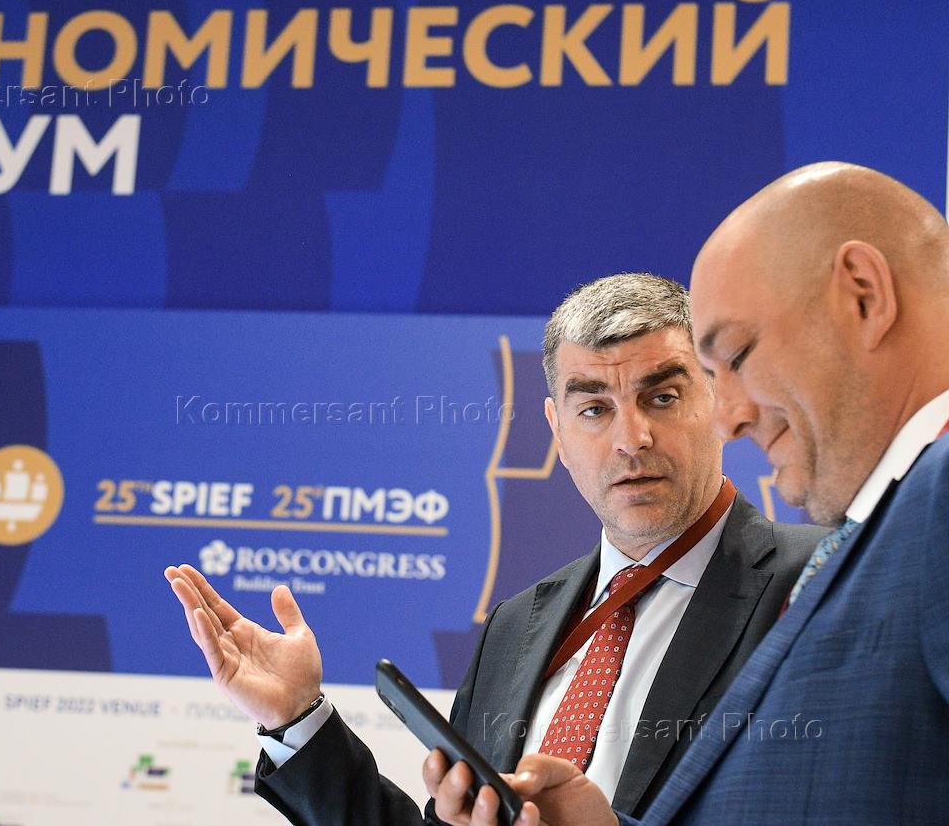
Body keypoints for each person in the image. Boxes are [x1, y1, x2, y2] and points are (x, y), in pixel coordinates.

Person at [165, 273, 820, 825]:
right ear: (557, 433)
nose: (631, 437)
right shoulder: (516, 624)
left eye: (663, 397)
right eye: (594, 409)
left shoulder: (820, 584)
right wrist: (298, 720)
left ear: (719, 401)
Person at [496, 162, 949, 825]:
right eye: (593, 409)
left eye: (736, 356)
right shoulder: (894, 528)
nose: (729, 417)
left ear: (863, 295)